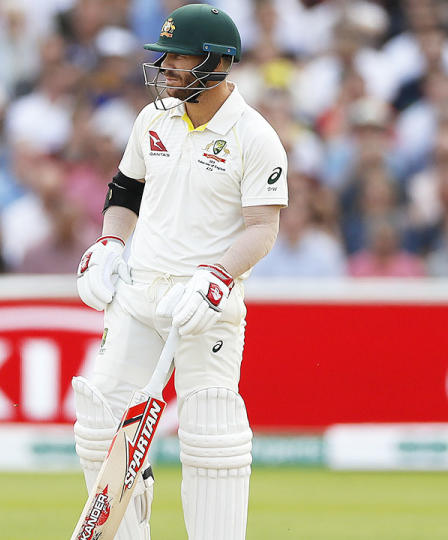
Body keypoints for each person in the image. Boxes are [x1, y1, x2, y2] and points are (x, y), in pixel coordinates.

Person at [73, 5, 287, 540]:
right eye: (163, 56)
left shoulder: (254, 136)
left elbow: (262, 228)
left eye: (177, 56)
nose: (164, 66)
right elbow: (125, 191)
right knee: (101, 424)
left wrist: (217, 276)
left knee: (210, 434)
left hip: (203, 305)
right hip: (140, 293)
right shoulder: (153, 119)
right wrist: (110, 242)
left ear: (215, 63)